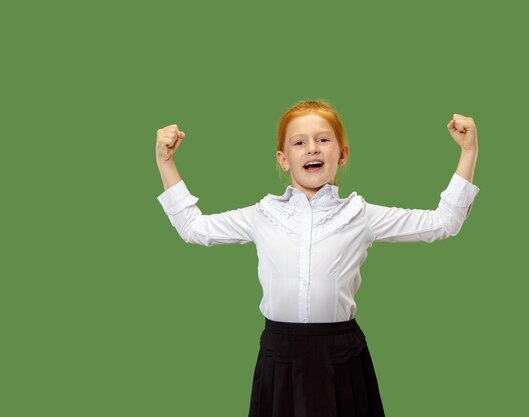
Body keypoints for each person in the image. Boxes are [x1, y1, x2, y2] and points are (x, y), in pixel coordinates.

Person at [155, 100, 480, 417]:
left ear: (342, 154)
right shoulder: (261, 215)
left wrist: (469, 152)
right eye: (299, 142)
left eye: (323, 139)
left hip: (340, 355)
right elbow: (193, 228)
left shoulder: (360, 214)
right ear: (284, 159)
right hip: (279, 354)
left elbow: (444, 222)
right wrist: (165, 162)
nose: (312, 148)